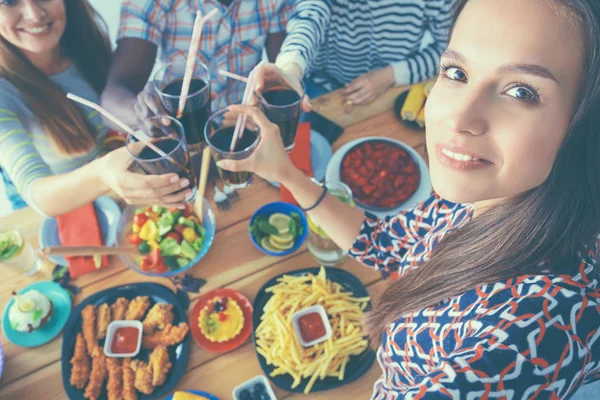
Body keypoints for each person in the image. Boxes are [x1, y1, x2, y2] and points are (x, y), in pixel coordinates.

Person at [219, 0, 600, 397]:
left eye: (521, 92)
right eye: (456, 72)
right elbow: (383, 243)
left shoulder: (541, 324)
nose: (458, 119)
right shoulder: (476, 196)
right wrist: (286, 173)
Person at [0, 0, 191, 217]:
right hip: (60, 219)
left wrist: (143, 116)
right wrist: (102, 173)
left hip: (120, 201)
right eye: (8, 2)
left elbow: (114, 123)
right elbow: (37, 194)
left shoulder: (84, 45)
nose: (34, 14)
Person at [100, 0, 295, 126]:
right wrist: (142, 116)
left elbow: (281, 76)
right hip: (181, 131)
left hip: (241, 128)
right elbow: (114, 95)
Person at [272, 0, 455, 105]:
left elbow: (450, 52)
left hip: (394, 89)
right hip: (323, 87)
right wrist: (290, 68)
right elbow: (308, 20)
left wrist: (392, 75)